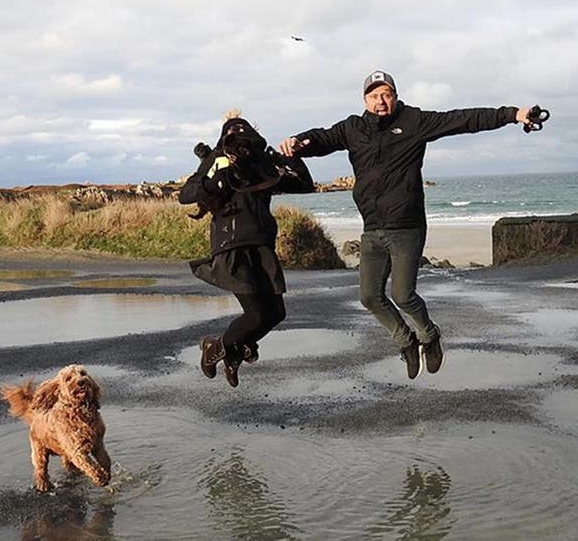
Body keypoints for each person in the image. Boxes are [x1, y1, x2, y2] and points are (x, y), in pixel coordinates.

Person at [279, 70, 535, 379]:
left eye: (386, 94)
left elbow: (463, 119)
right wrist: (297, 142)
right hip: (372, 228)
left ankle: (429, 335)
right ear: (365, 99)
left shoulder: (414, 122)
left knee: (403, 295)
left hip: (407, 227)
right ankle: (407, 341)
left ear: (395, 96)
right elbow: (321, 138)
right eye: (374, 95)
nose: (380, 101)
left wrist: (513, 115)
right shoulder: (353, 128)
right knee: (370, 297)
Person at [179, 111, 314, 388]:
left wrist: (287, 159)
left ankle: (233, 351)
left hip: (262, 245)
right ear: (224, 138)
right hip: (232, 246)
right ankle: (214, 346)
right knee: (255, 315)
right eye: (232, 132)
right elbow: (186, 195)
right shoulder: (216, 159)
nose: (239, 137)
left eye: (244, 131)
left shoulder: (262, 163)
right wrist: (215, 177)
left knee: (277, 313)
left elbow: (304, 185)